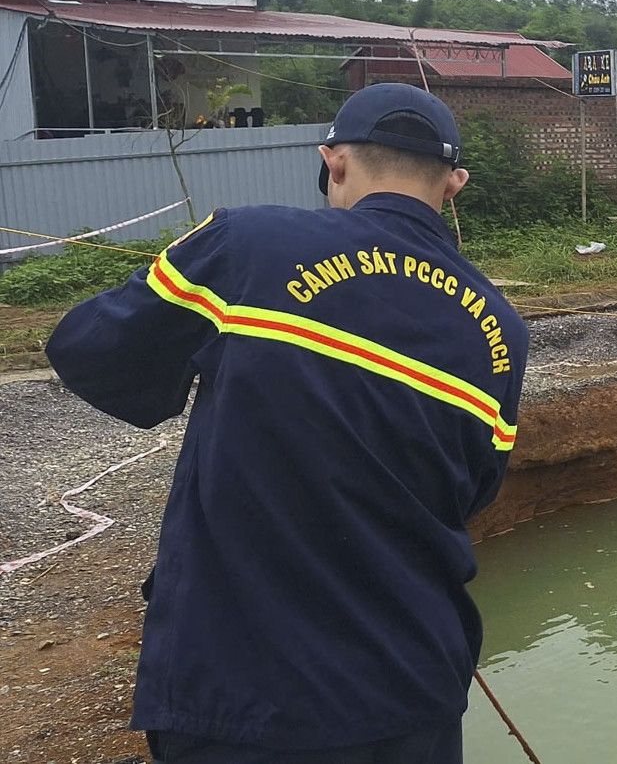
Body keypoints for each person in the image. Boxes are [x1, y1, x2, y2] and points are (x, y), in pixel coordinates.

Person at [44, 83, 528, 764]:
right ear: (455, 184)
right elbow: (473, 491)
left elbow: (89, 352)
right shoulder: (501, 329)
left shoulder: (246, 241)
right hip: (414, 693)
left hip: (245, 692)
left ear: (332, 161)